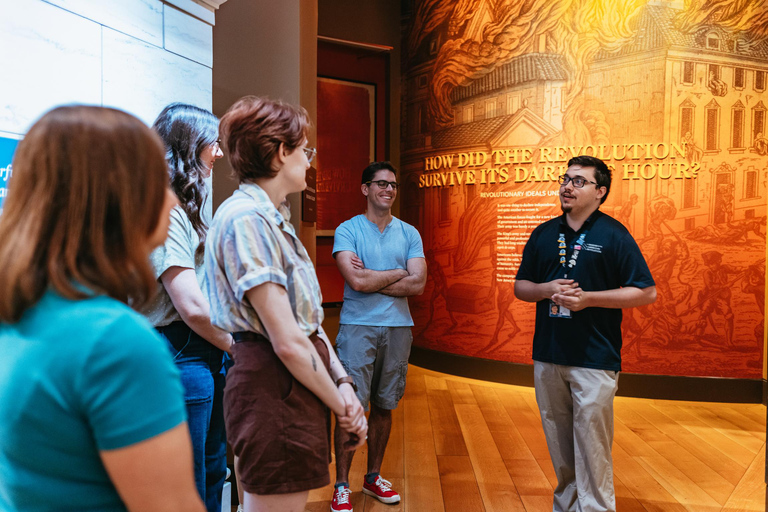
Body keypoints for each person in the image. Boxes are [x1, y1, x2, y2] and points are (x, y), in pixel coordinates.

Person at [0, 105, 204, 512]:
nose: (172, 201)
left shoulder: (22, 311)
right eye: (156, 182)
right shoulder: (115, 342)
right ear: (119, 200)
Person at [204, 96, 367, 512]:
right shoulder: (246, 219)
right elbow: (288, 341)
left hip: (291, 383)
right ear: (280, 152)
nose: (310, 161)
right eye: (305, 150)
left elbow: (306, 326)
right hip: (273, 386)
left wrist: (343, 384)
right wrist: (342, 407)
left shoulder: (271, 217)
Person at [514, 155, 656, 512]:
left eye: (579, 181)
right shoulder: (543, 234)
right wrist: (546, 289)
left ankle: (595, 509)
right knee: (559, 444)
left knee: (592, 443)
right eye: (565, 179)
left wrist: (588, 299)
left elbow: (645, 291)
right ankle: (566, 505)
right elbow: (520, 287)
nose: (567, 186)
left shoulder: (614, 235)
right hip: (548, 354)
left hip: (594, 357)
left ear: (600, 191)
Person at [140, 103, 233, 512]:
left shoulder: (186, 207)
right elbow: (191, 304)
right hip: (182, 353)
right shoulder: (166, 207)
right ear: (189, 143)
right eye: (213, 143)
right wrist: (237, 343)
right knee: (190, 481)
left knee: (212, 471)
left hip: (200, 351)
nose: (220, 153)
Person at [331, 161, 427, 512]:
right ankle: (341, 485)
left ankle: (372, 477)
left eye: (393, 185)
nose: (388, 190)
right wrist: (397, 272)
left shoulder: (409, 233)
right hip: (357, 327)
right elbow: (356, 282)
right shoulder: (348, 230)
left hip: (398, 329)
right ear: (365, 189)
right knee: (351, 405)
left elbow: (417, 283)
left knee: (385, 405)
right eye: (381, 184)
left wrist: (375, 276)